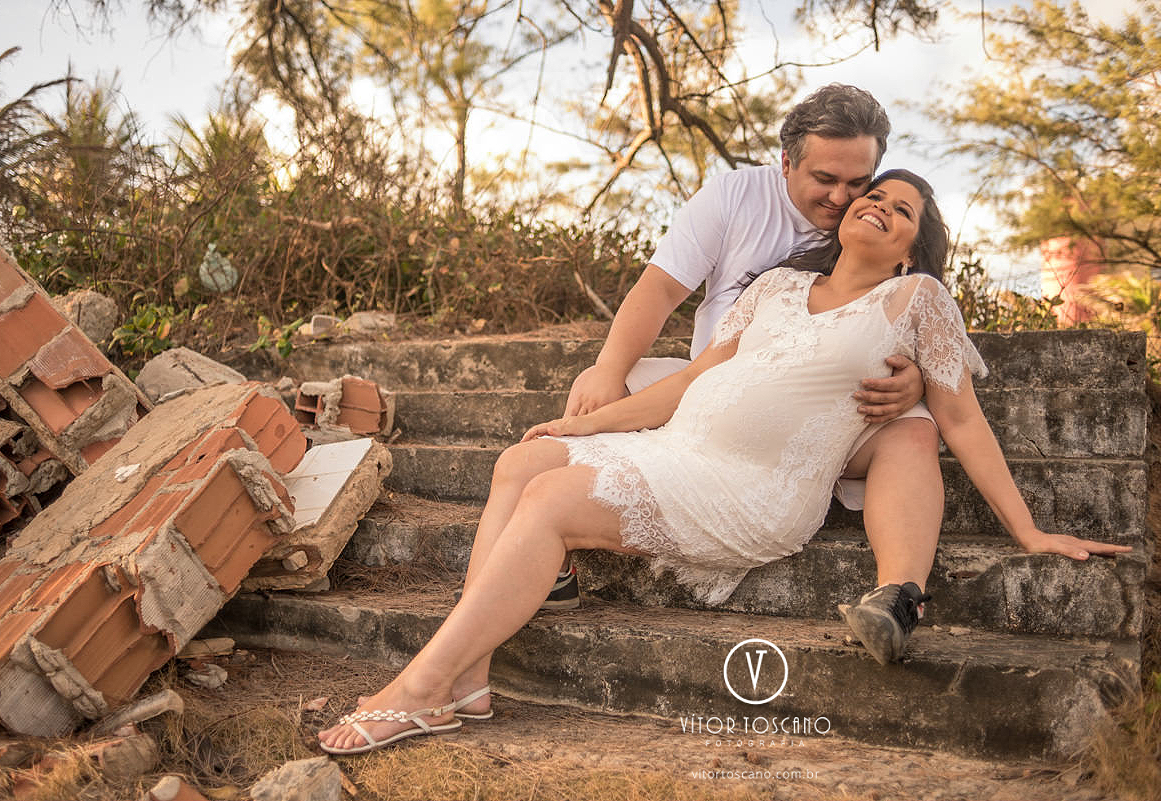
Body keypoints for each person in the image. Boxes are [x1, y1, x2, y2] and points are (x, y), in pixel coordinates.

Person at [317, 170, 1131, 755]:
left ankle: (421, 688)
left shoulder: (915, 303)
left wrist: (1027, 530)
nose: (879, 207)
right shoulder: (774, 286)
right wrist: (574, 421)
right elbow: (690, 382)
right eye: (874, 195)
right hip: (683, 447)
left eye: (902, 209)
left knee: (555, 499)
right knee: (522, 462)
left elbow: (961, 418)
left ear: (914, 253)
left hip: (756, 489)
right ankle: (472, 678)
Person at [544, 84, 942, 622]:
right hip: (718, 393)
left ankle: (897, 596)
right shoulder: (734, 196)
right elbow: (660, 289)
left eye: (858, 182)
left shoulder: (879, 219)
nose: (843, 198)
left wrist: (918, 376)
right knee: (608, 378)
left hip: (828, 415)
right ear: (786, 163)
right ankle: (554, 559)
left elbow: (913, 312)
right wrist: (608, 370)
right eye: (824, 180)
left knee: (914, 427)